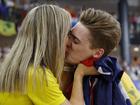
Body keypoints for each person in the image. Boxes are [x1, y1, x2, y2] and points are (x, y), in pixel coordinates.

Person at [0, 4, 96, 105]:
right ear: (54, 39)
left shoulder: (21, 66)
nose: (68, 42)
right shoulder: (38, 75)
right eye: (67, 34)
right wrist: (79, 75)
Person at [65, 8, 132, 105]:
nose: (67, 42)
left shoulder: (113, 79)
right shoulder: (62, 63)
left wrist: (79, 75)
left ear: (97, 53)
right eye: (69, 35)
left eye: (75, 41)